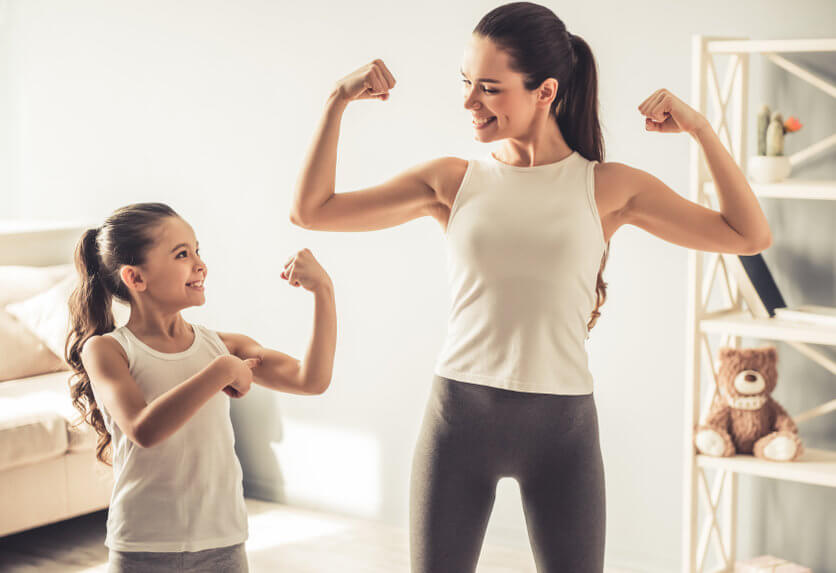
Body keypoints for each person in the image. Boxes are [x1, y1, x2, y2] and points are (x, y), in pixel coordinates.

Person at [289, 3, 771, 571]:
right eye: (467, 83)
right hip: (457, 424)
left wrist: (701, 129)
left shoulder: (606, 187)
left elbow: (747, 234)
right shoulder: (452, 181)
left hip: (562, 436)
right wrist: (335, 101)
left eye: (489, 89)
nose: (469, 102)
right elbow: (312, 210)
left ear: (546, 92)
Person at [65, 202, 337, 573]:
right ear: (136, 278)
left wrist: (324, 291)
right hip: (144, 546)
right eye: (181, 254)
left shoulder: (222, 344)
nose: (200, 263)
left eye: (197, 250)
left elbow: (311, 380)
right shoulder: (107, 350)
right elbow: (144, 429)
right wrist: (222, 371)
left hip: (223, 541)